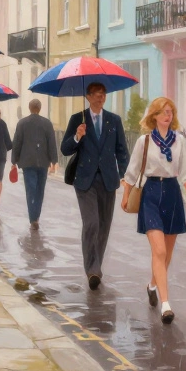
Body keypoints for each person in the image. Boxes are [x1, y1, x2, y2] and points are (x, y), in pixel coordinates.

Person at [122, 97, 186, 324]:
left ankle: (153, 284)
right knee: (159, 251)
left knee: (167, 253)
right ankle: (166, 304)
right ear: (154, 116)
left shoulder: (180, 141)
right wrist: (125, 196)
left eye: (170, 112)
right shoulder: (144, 141)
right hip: (151, 193)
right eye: (163, 112)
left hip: (172, 193)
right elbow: (132, 172)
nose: (168, 115)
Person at [61, 82, 129, 290]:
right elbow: (65, 149)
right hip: (85, 180)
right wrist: (77, 136)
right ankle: (92, 269)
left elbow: (122, 151)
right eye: (96, 95)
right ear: (88, 97)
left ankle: (96, 265)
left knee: (104, 226)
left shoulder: (114, 120)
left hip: (108, 180)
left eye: (103, 94)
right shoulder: (77, 119)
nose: (100, 98)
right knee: (91, 223)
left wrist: (123, 175)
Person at [12, 99, 58, 230]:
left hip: (27, 162)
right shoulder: (47, 123)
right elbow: (51, 143)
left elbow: (17, 142)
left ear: (29, 108)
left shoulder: (22, 123)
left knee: (30, 190)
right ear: (40, 108)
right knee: (40, 190)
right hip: (43, 162)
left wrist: (14, 161)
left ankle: (33, 218)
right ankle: (36, 216)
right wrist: (54, 160)